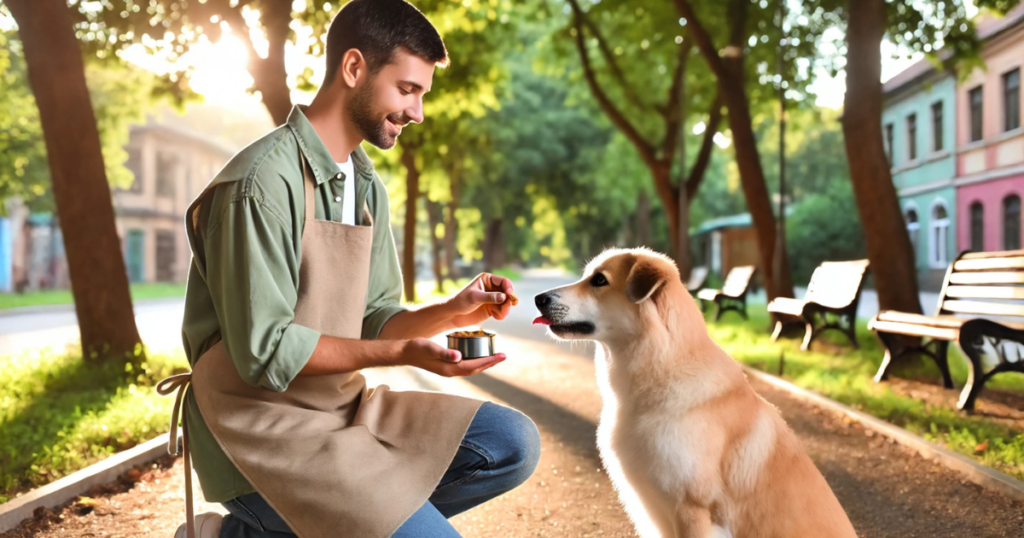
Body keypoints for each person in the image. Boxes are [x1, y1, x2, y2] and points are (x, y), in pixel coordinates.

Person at [158, 1, 540, 536]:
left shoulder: (365, 188)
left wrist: (453, 311)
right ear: (355, 68)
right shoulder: (259, 186)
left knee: (511, 444)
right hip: (260, 430)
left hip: (341, 412)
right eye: (408, 89)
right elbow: (264, 353)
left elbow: (375, 316)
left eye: (422, 94)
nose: (418, 112)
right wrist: (401, 354)